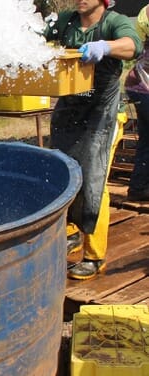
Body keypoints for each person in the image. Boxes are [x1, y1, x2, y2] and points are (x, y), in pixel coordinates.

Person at [44, 0, 142, 280]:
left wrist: (105, 47)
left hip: (103, 115)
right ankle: (73, 233)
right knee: (63, 175)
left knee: (94, 182)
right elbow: (35, 35)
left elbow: (133, 45)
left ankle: (94, 256)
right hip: (69, 111)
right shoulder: (66, 21)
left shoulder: (114, 21)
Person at [124, 4, 149, 202]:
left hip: (136, 85)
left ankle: (138, 188)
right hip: (143, 86)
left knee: (146, 139)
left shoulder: (143, 12)